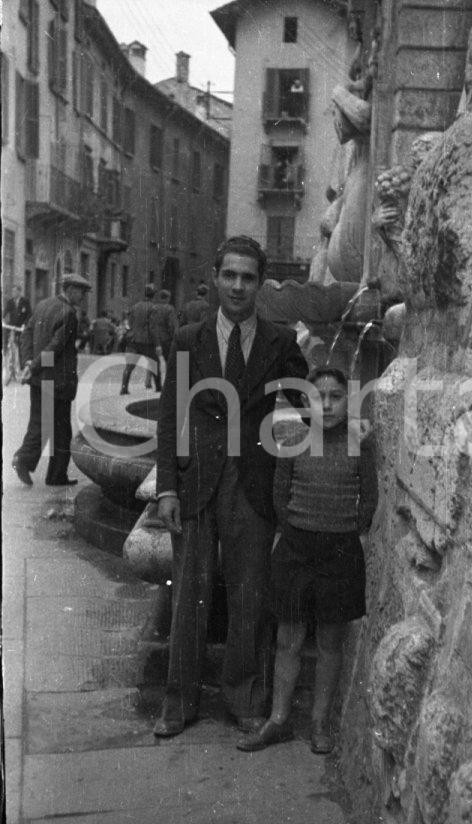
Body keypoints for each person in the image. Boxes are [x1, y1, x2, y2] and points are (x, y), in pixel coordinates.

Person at [154, 235, 309, 737]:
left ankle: (244, 698)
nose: (238, 285)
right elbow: (170, 415)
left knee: (250, 596)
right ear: (216, 278)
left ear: (259, 284)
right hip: (196, 483)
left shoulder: (280, 343)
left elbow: (308, 405)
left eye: (248, 277)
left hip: (252, 487)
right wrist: (167, 488)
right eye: (230, 275)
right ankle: (178, 703)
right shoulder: (187, 339)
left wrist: (339, 423)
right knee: (189, 597)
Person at [237, 367, 378, 755]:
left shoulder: (359, 443)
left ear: (347, 401)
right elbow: (280, 495)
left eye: (336, 396)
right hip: (297, 549)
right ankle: (278, 720)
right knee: (289, 638)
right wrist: (299, 526)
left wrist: (345, 528)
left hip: (339, 549)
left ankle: (320, 723)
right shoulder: (294, 440)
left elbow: (369, 499)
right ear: (306, 402)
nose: (328, 404)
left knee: (331, 640)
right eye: (319, 397)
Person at [11, 273, 92, 487]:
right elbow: (55, 348)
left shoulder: (42, 305)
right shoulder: (69, 314)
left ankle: (51, 473)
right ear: (70, 289)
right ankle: (32, 464)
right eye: (82, 292)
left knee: (42, 423)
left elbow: (26, 334)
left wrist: (29, 363)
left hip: (40, 379)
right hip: (58, 382)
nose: (83, 297)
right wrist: (35, 365)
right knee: (59, 430)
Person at [120, 284, 162, 394]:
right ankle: (158, 387)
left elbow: (129, 323)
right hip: (146, 342)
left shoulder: (135, 306)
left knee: (129, 366)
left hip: (133, 340)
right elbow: (153, 327)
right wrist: (157, 344)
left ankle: (124, 388)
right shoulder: (153, 308)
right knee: (155, 364)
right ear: (154, 295)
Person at [144, 289, 176, 388]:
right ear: (167, 298)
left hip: (154, 338)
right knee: (168, 361)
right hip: (166, 338)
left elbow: (150, 324)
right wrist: (173, 335)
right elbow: (171, 325)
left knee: (153, 360)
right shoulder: (169, 309)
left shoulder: (154, 308)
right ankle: (166, 383)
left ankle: (148, 381)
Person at [3, 284, 32, 354]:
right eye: (12, 291)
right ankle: (6, 351)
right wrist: (3, 317)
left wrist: (25, 324)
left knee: (20, 345)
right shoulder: (10, 302)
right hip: (12, 325)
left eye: (15, 291)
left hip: (21, 326)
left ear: (19, 292)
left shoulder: (25, 301)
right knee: (7, 339)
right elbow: (5, 311)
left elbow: (29, 314)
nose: (13, 293)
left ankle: (20, 358)